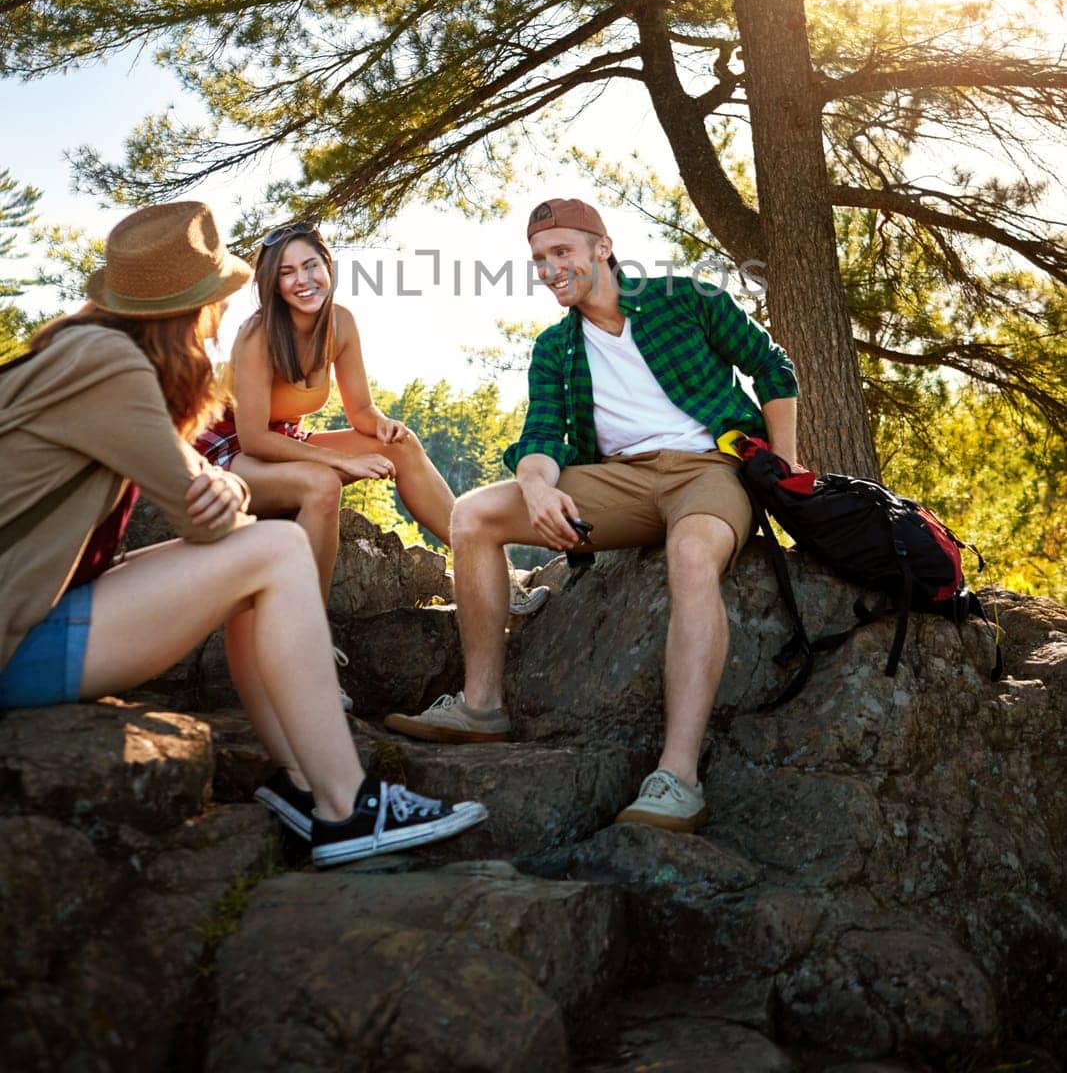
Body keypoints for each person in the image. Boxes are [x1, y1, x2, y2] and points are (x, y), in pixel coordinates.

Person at [0, 201, 486, 868]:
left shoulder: (80, 351)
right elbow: (207, 515)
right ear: (190, 307)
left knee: (259, 566)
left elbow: (203, 484)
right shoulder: (110, 368)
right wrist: (224, 486)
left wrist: (217, 484)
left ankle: (303, 782)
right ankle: (346, 807)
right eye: (219, 297)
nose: (224, 312)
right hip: (20, 639)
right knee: (275, 549)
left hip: (43, 604)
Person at [386, 197, 799, 832]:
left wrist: (787, 466)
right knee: (472, 515)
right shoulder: (557, 347)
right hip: (619, 482)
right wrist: (536, 488)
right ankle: (481, 705)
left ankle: (677, 777)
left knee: (692, 557)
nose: (550, 269)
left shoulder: (683, 299)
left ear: (601, 249)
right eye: (538, 260)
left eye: (561, 253)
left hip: (710, 471)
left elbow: (771, 366)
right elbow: (542, 438)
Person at [196, 219, 549, 625]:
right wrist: (342, 462)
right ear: (273, 284)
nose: (303, 280)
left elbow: (360, 410)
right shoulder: (257, 333)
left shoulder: (340, 323)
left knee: (401, 444)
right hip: (228, 453)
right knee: (323, 483)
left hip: (287, 441)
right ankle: (305, 633)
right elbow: (254, 438)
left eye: (311, 266)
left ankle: (495, 576)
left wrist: (381, 423)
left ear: (327, 265)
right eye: (287, 272)